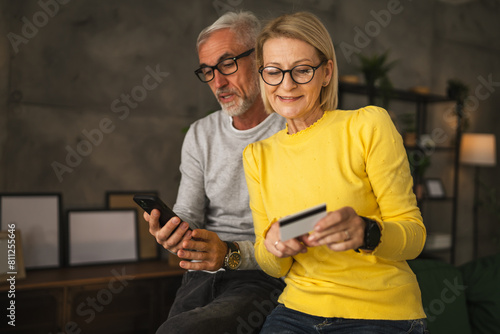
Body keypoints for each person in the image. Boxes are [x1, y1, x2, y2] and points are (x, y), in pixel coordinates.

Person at [242, 11, 428, 333]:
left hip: (380, 311)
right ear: (262, 75)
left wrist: (367, 232)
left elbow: (414, 237)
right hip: (296, 310)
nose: (286, 85)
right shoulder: (257, 156)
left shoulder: (367, 125)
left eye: (302, 70)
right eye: (273, 71)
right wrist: (275, 245)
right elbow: (270, 263)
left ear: (326, 72)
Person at [145, 11, 286, 334]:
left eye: (227, 64)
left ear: (261, 57)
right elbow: (189, 212)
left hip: (263, 273)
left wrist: (232, 254)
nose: (218, 82)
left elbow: (304, 223)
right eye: (207, 72)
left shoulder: (293, 127)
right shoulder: (200, 133)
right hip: (203, 270)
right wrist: (173, 230)